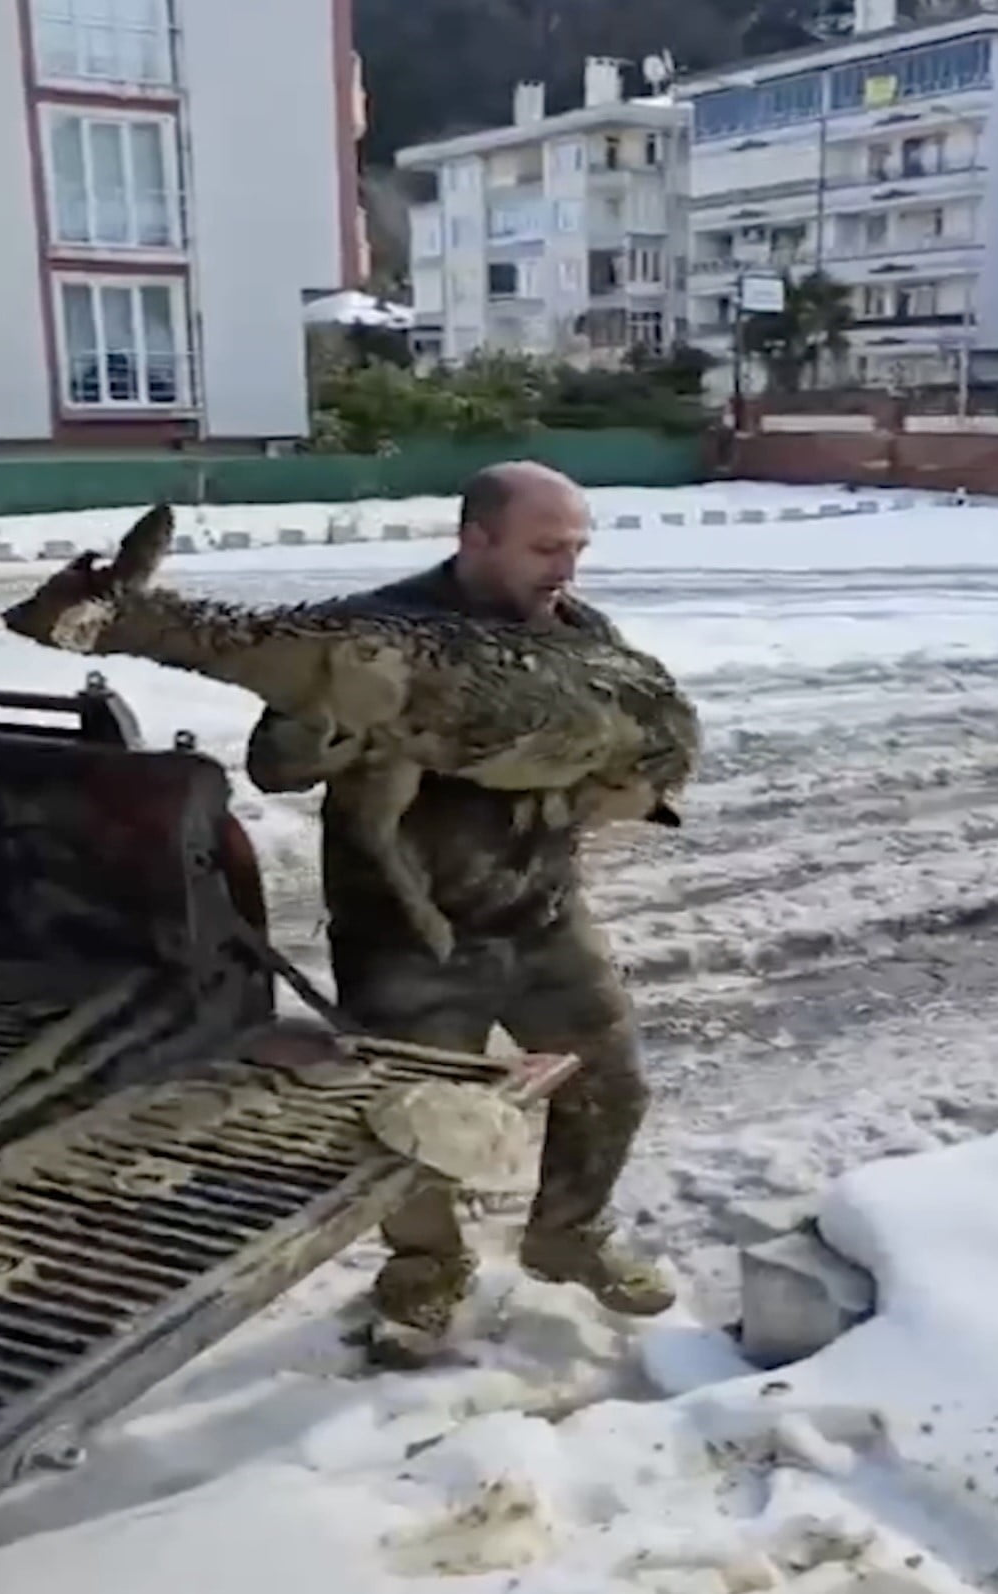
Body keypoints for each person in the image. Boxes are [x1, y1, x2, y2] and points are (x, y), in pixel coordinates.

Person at [246, 461, 677, 1336]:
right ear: (474, 539)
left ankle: (569, 1235)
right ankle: (426, 1268)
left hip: (543, 912)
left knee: (611, 1083)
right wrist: (341, 711)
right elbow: (275, 765)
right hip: (408, 936)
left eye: (576, 548)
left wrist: (635, 782)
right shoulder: (373, 632)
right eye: (544, 548)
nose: (566, 569)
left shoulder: (578, 632)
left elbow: (632, 735)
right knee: (408, 1127)